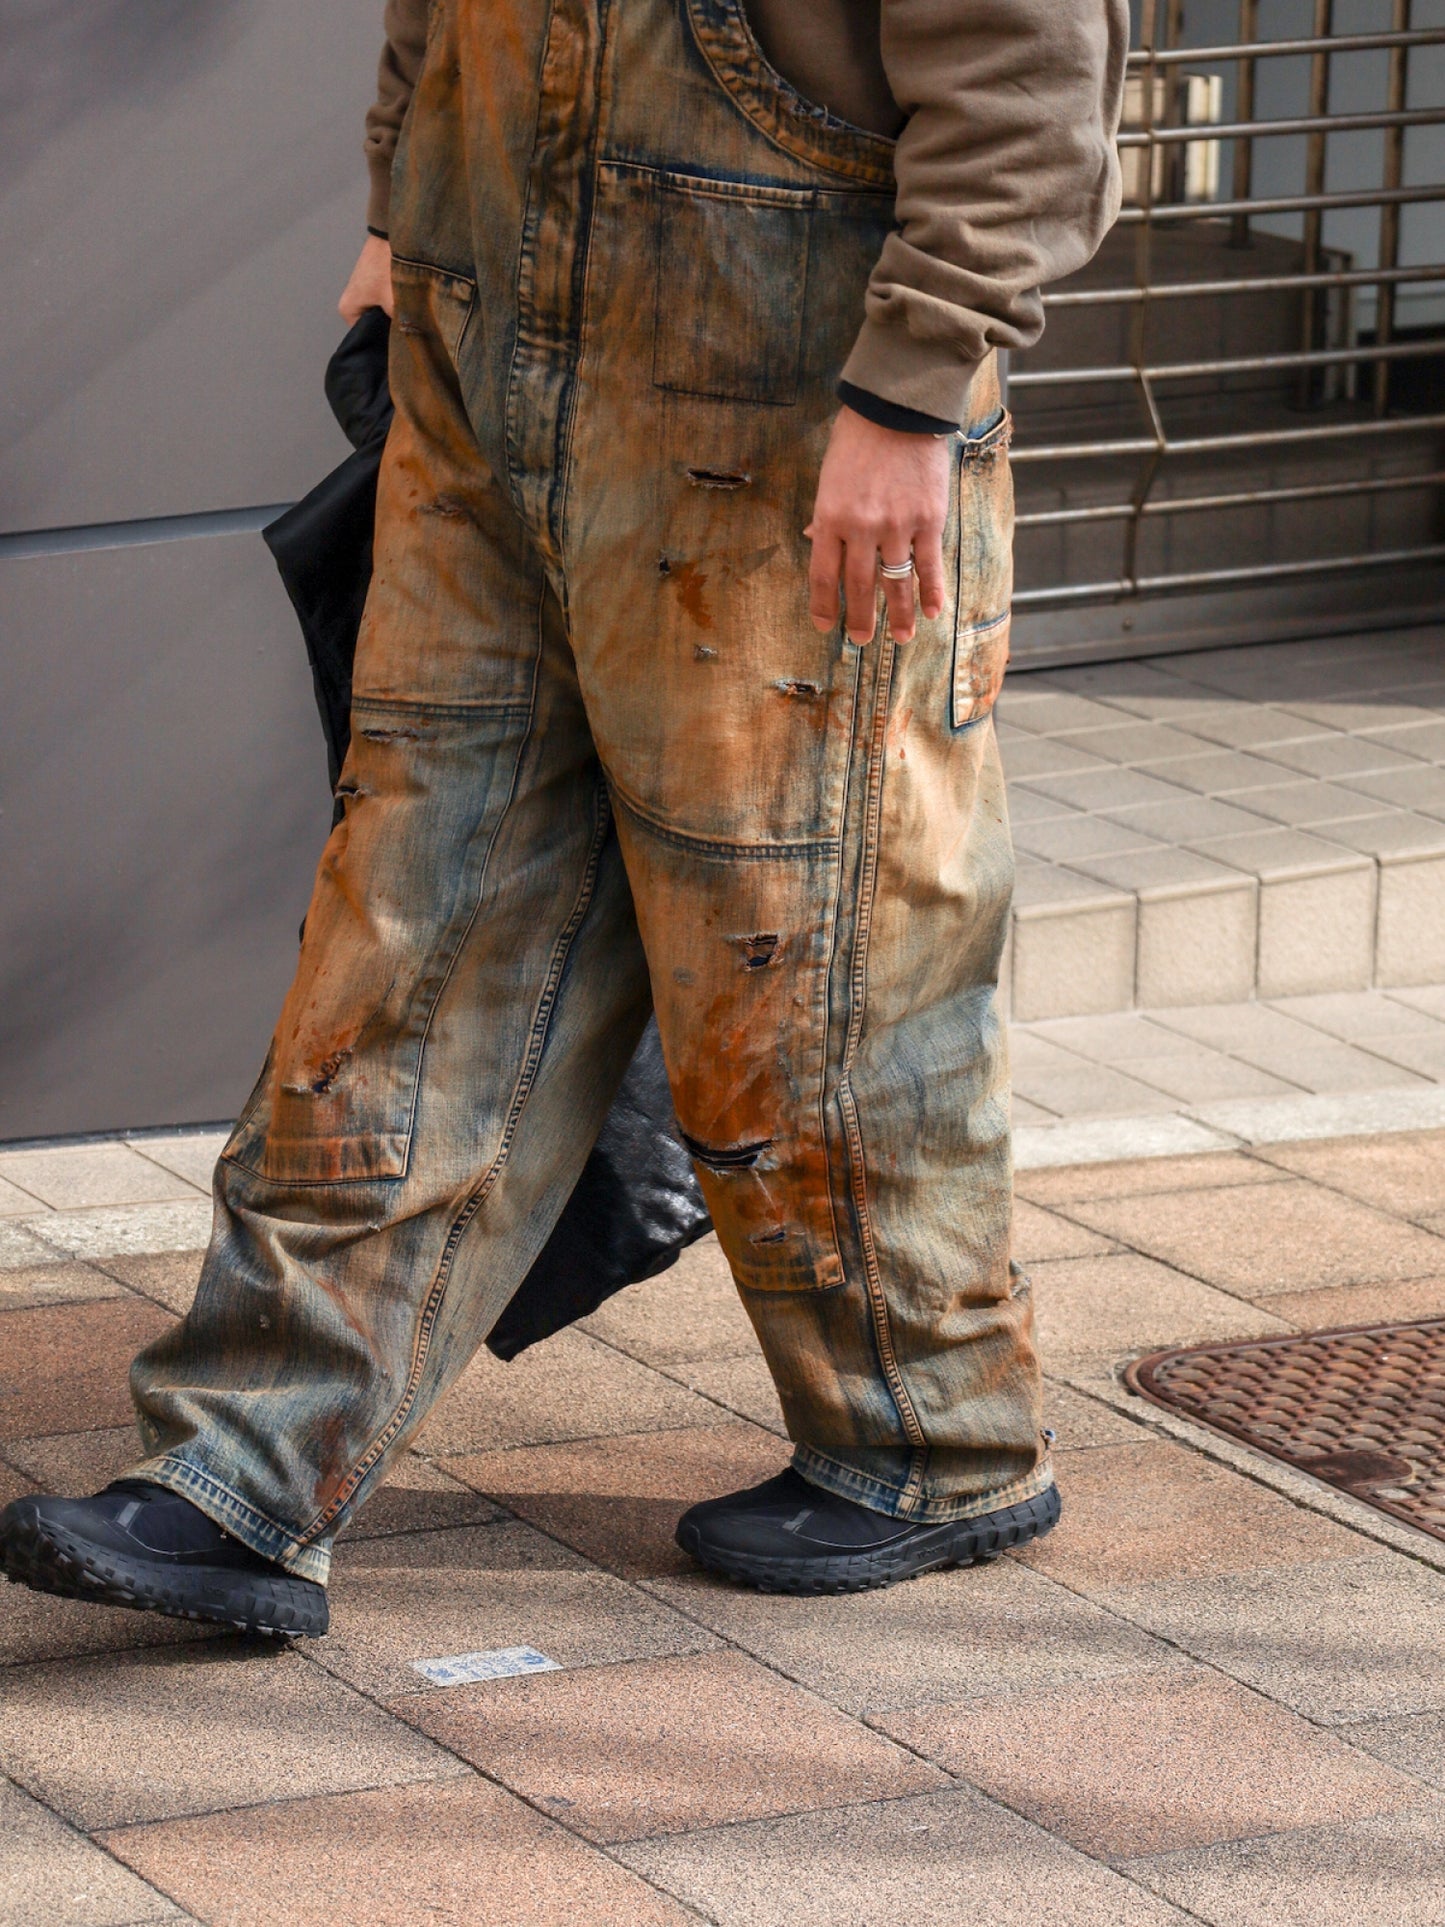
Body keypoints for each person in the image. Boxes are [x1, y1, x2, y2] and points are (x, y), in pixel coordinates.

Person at [1, 0, 1126, 1636]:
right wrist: (399, 215)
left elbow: (1026, 82)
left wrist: (913, 392)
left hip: (793, 416)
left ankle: (929, 1438)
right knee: (403, 923)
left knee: (806, 942)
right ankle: (243, 1472)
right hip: (485, 377)